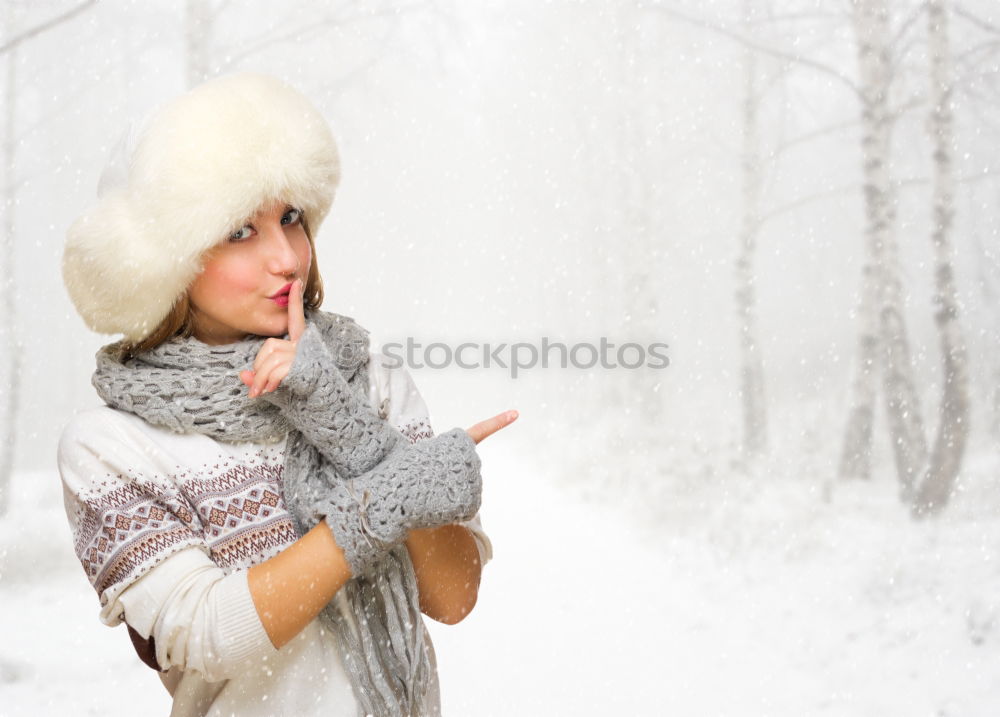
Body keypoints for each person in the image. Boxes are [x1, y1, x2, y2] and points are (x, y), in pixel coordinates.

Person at [56, 72, 517, 717]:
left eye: (291, 219)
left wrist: (344, 425)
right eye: (240, 231)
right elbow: (209, 635)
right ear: (169, 262)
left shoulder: (365, 380)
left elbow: (452, 595)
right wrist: (381, 501)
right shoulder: (111, 443)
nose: (288, 258)